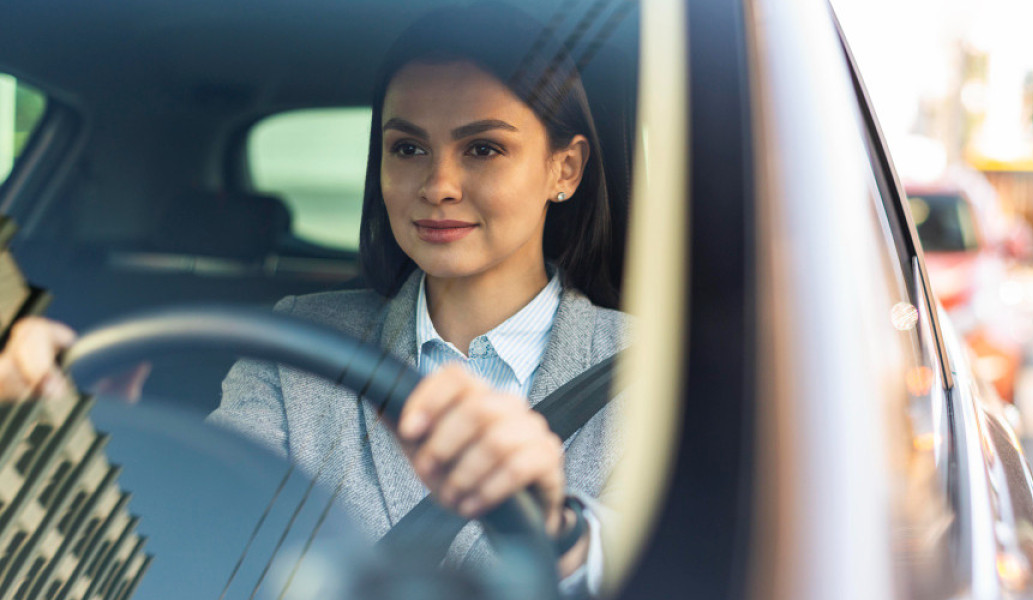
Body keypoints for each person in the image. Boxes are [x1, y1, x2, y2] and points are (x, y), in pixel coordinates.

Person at [0, 3, 629, 596]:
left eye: (484, 148)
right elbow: (211, 531)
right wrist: (93, 448)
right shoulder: (294, 341)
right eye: (407, 148)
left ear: (564, 170)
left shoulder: (648, 368)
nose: (438, 185)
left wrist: (561, 536)